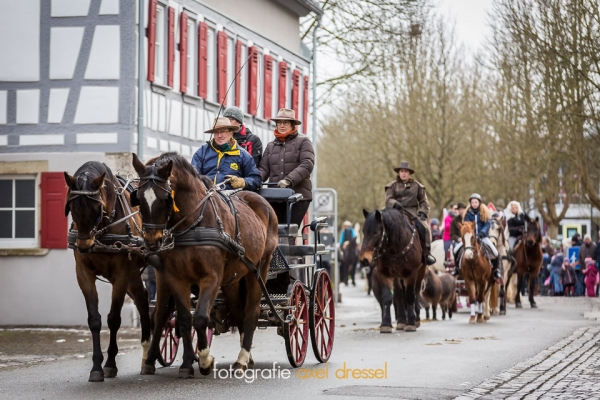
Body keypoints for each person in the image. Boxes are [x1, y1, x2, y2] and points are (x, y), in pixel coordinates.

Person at [259, 108, 315, 227]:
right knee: (273, 230)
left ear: (292, 125)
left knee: (289, 231)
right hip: (275, 196)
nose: (282, 125)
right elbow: (264, 169)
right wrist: (256, 180)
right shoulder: (270, 146)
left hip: (298, 196)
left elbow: (307, 164)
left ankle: (288, 244)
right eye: (279, 123)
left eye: (285, 123)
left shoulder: (303, 141)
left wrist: (289, 180)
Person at [384, 161, 436, 266]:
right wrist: (395, 203)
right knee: (381, 225)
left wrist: (423, 213)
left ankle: (426, 254)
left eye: (406, 172)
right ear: (399, 173)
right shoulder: (392, 186)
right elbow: (388, 200)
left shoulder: (417, 186)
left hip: (412, 212)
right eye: (402, 171)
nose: (404, 173)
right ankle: (380, 253)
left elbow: (424, 201)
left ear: (409, 173)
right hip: (395, 211)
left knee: (424, 228)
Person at [191, 117, 262, 191]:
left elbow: (256, 179)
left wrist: (242, 182)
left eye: (223, 132)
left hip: (232, 198)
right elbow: (192, 174)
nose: (219, 135)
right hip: (206, 197)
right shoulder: (202, 152)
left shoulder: (243, 155)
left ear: (231, 133)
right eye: (216, 132)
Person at [456, 194, 501, 279]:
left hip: (483, 237)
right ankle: (457, 268)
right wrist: (470, 233)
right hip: (470, 238)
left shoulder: (484, 212)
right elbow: (466, 225)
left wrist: (482, 233)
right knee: (456, 250)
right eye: (472, 202)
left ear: (479, 202)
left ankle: (496, 270)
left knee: (495, 252)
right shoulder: (467, 213)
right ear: (470, 203)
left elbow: (487, 224)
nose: (474, 204)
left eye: (476, 202)